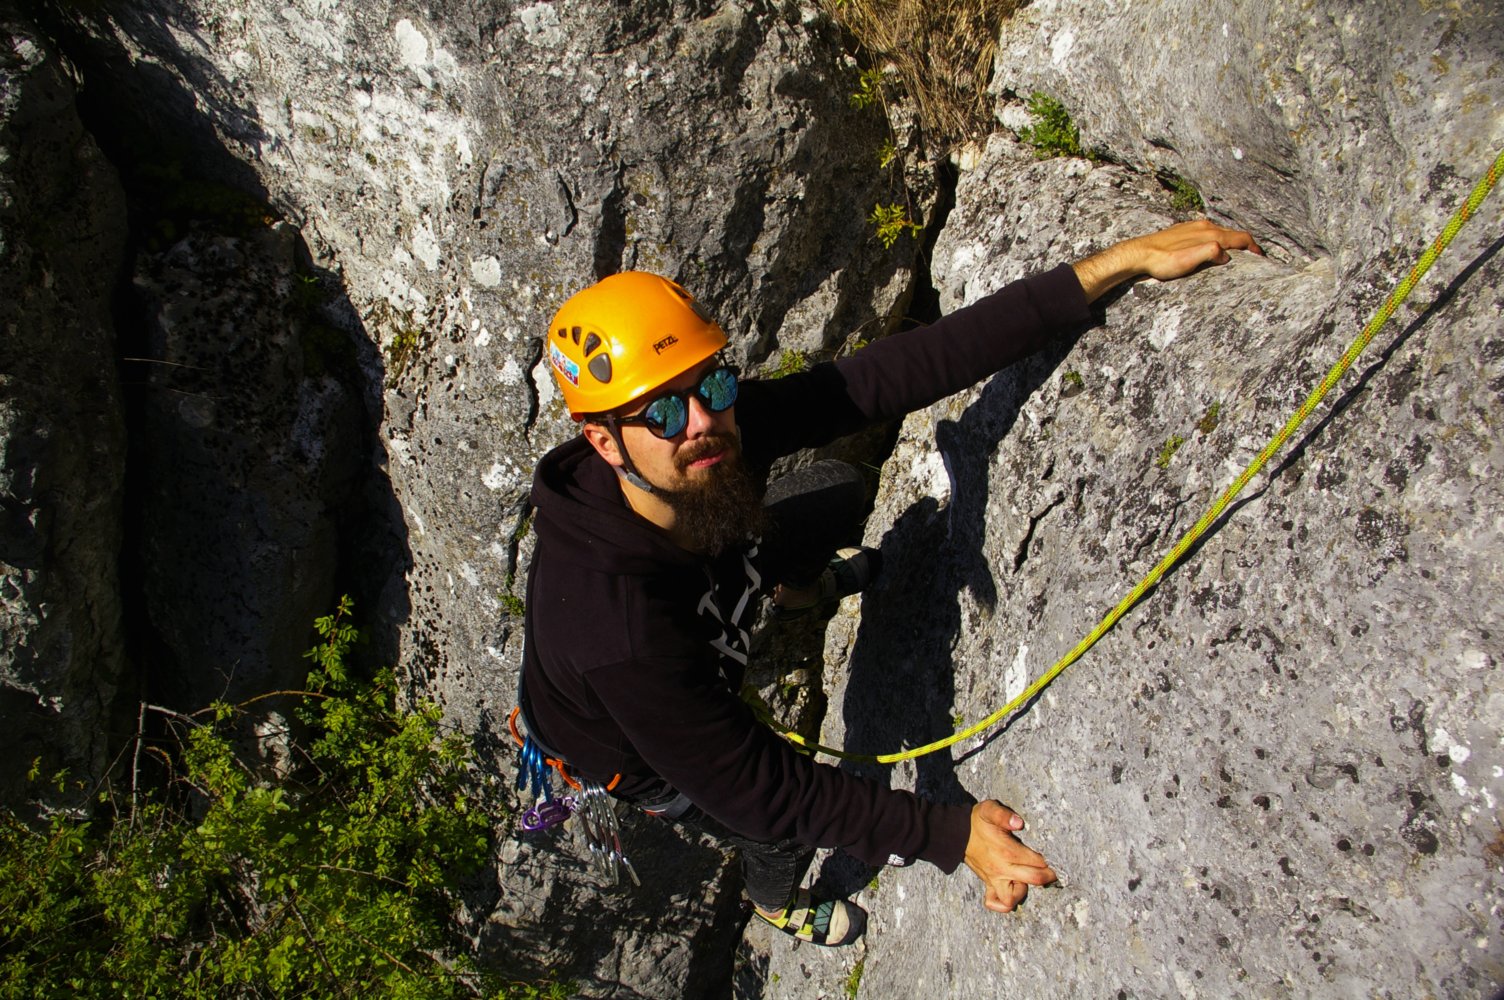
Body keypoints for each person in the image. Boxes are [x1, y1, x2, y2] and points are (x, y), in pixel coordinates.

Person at [518, 220, 1263, 946]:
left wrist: (1113, 266)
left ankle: (795, 592)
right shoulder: (612, 627)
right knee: (769, 829)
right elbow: (756, 785)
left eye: (712, 382)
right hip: (634, 746)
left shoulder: (705, 435)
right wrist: (946, 833)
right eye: (666, 410)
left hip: (711, 585)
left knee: (837, 491)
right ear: (602, 440)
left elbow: (889, 376)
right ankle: (774, 901)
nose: (703, 422)